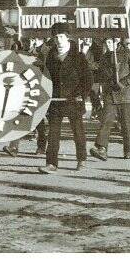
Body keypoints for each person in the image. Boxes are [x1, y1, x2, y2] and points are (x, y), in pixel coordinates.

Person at [38, 23, 92, 174]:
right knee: (53, 133)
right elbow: (47, 77)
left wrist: (82, 95)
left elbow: (88, 79)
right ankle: (51, 164)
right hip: (55, 100)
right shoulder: (50, 56)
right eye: (56, 37)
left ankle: (81, 159)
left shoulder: (79, 57)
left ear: (68, 37)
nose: (58, 40)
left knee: (78, 131)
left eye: (61, 37)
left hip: (74, 100)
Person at [89, 37, 130, 161]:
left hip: (125, 94)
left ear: (117, 42)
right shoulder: (105, 57)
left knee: (126, 123)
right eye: (106, 42)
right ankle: (101, 148)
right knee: (106, 120)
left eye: (110, 42)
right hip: (110, 93)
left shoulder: (127, 54)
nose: (108, 44)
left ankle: (128, 149)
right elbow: (100, 74)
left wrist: (123, 82)